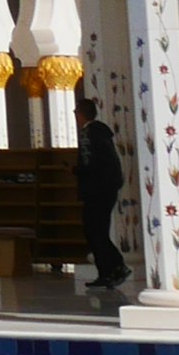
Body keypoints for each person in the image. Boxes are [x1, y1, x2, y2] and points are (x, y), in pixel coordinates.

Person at [76, 110, 127, 292]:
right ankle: (110, 270)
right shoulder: (103, 134)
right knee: (98, 231)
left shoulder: (89, 134)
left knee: (94, 231)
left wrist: (77, 172)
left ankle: (113, 268)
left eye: (77, 111)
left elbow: (89, 163)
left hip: (96, 192)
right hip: (106, 190)